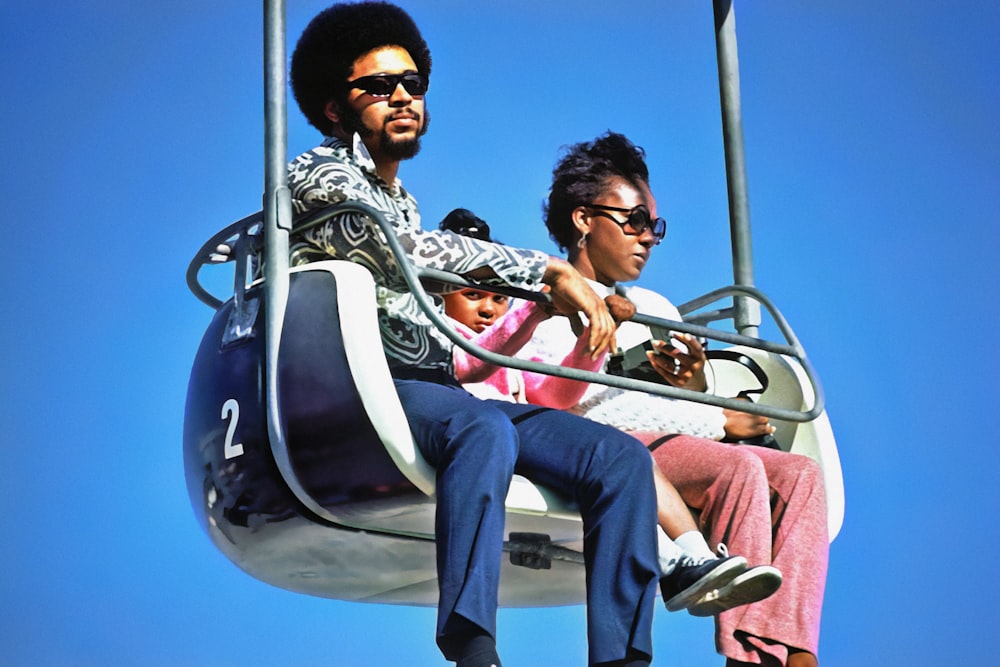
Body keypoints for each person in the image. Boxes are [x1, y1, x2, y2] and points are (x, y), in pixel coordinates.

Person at [284, 5, 691, 666]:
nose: (402, 97)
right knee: (483, 429)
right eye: (379, 87)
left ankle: (622, 657)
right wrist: (545, 271)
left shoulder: (403, 194)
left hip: (437, 390)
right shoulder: (318, 178)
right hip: (364, 388)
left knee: (617, 458)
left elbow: (416, 239)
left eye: (412, 84)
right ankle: (474, 645)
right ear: (335, 107)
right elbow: (400, 249)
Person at [514, 131, 828, 667]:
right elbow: (569, 403)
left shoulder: (655, 305)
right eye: (633, 221)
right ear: (584, 219)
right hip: (605, 445)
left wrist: (693, 383)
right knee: (736, 470)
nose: (647, 238)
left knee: (802, 475)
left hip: (675, 439)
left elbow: (679, 406)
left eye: (653, 226)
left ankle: (791, 645)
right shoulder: (545, 300)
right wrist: (715, 419)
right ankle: (747, 653)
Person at [440, 214, 783, 619]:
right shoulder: (443, 332)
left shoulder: (513, 351)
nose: (489, 308)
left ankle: (695, 557)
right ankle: (670, 565)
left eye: (499, 298)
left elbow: (553, 392)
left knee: (631, 459)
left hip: (529, 432)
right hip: (487, 438)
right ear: (443, 293)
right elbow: (471, 364)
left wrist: (595, 337)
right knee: (601, 463)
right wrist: (533, 313)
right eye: (473, 295)